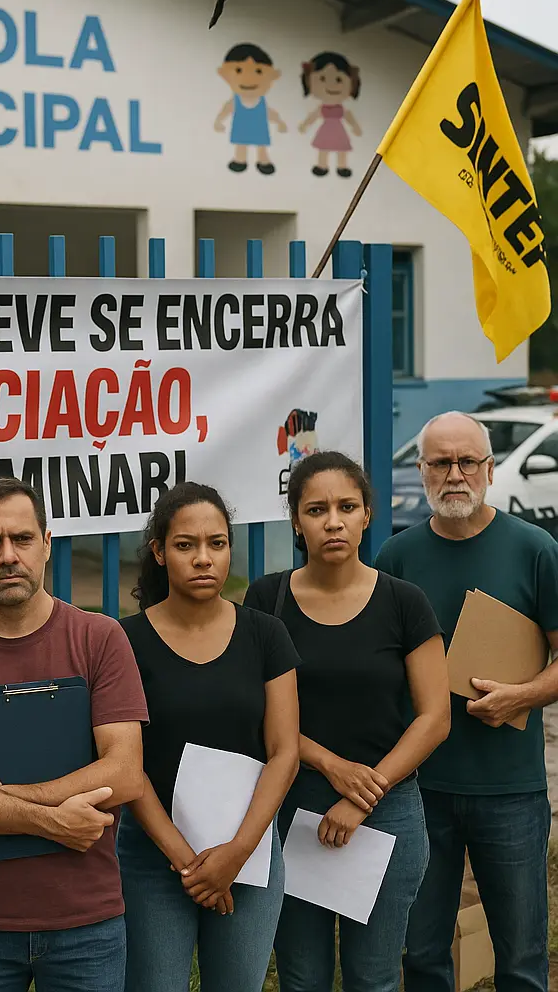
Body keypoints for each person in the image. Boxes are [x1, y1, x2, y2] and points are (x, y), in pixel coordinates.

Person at [0, 476, 149, 992]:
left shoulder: (101, 639)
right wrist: (52, 821)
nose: (8, 556)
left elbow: (125, 772)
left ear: (47, 543)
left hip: (86, 919)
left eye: (22, 539)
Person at [245, 451, 450, 992]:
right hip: (291, 802)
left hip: (387, 808)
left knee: (374, 978)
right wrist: (332, 765)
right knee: (301, 977)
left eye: (347, 507)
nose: (333, 521)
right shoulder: (267, 599)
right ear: (296, 522)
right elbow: (257, 709)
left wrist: (364, 794)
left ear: (367, 515)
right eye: (316, 510)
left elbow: (435, 718)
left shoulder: (405, 602)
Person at [375, 412, 558, 992]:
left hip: (511, 789)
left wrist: (521, 696)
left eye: (467, 461)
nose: (455, 474)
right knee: (422, 954)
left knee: (522, 959)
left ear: (490, 467)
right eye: (440, 462)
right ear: (422, 470)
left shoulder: (535, 550)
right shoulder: (396, 558)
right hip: (418, 790)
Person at [118, 482, 300, 992]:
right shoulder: (124, 642)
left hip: (248, 847)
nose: (203, 558)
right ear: (159, 552)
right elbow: (126, 765)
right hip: (153, 856)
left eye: (217, 543)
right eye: (185, 545)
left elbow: (285, 751)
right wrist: (188, 863)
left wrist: (237, 852)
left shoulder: (266, 635)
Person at [214, 43, 288, 174]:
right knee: (241, 145)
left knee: (261, 146)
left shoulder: (261, 102)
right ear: (224, 75)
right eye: (238, 71)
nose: (249, 78)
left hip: (259, 128)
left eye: (258, 71)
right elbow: (226, 110)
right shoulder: (235, 101)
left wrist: (279, 122)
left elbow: (269, 113)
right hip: (241, 128)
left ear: (273, 76)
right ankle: (240, 161)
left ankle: (263, 161)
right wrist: (218, 121)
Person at [298, 52, 362, 177]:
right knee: (323, 148)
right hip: (326, 131)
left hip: (338, 130)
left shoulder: (341, 109)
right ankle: (322, 165)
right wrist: (305, 125)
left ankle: (342, 166)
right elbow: (313, 116)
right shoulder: (322, 109)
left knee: (342, 149)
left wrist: (355, 127)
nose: (331, 85)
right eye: (322, 79)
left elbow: (349, 117)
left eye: (338, 79)